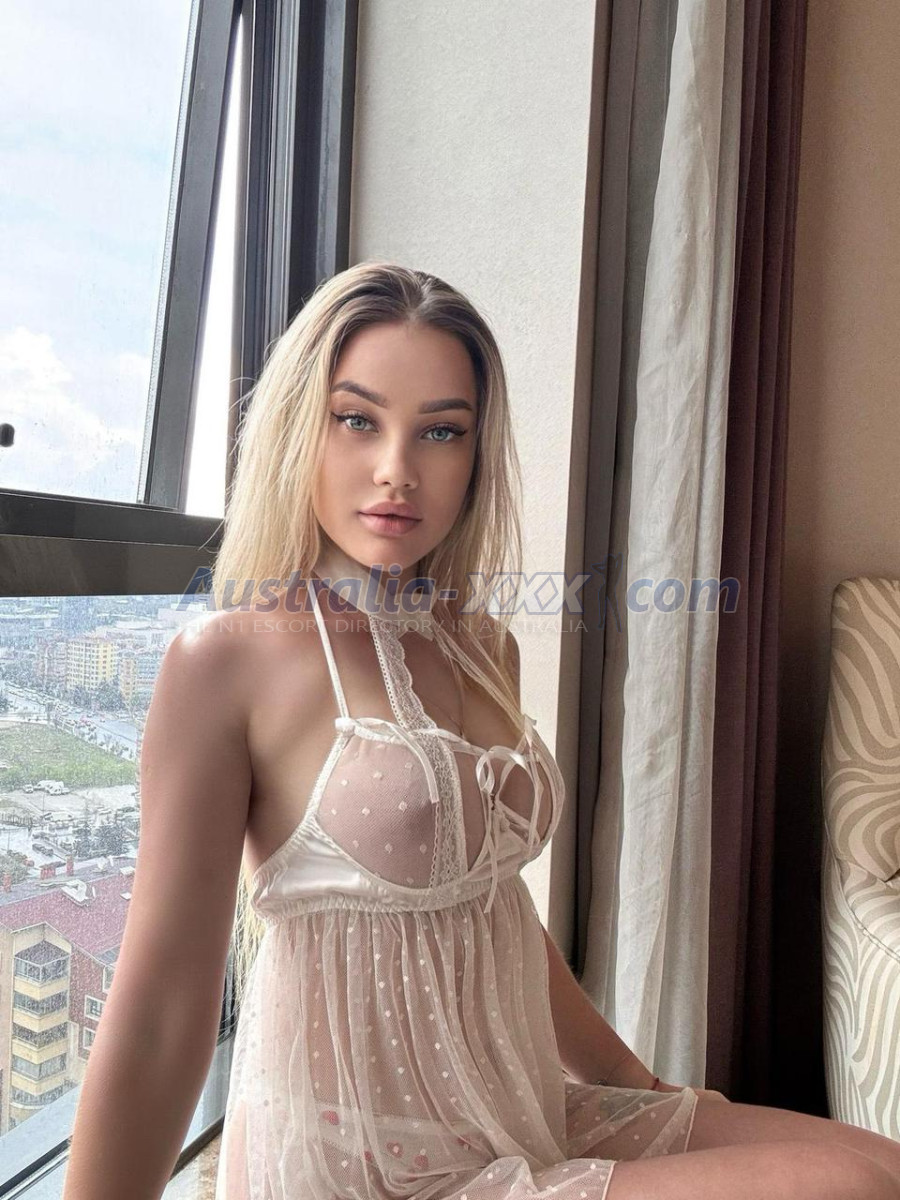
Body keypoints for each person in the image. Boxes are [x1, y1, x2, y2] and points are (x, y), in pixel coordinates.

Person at [62, 262, 900, 1200]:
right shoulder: (228, 659)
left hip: (512, 1107)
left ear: (476, 450)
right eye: (356, 419)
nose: (397, 468)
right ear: (301, 427)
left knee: (883, 1163)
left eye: (441, 431)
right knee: (846, 1187)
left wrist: (635, 1081)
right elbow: (162, 1011)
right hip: (366, 1168)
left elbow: (492, 904)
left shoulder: (480, 644)